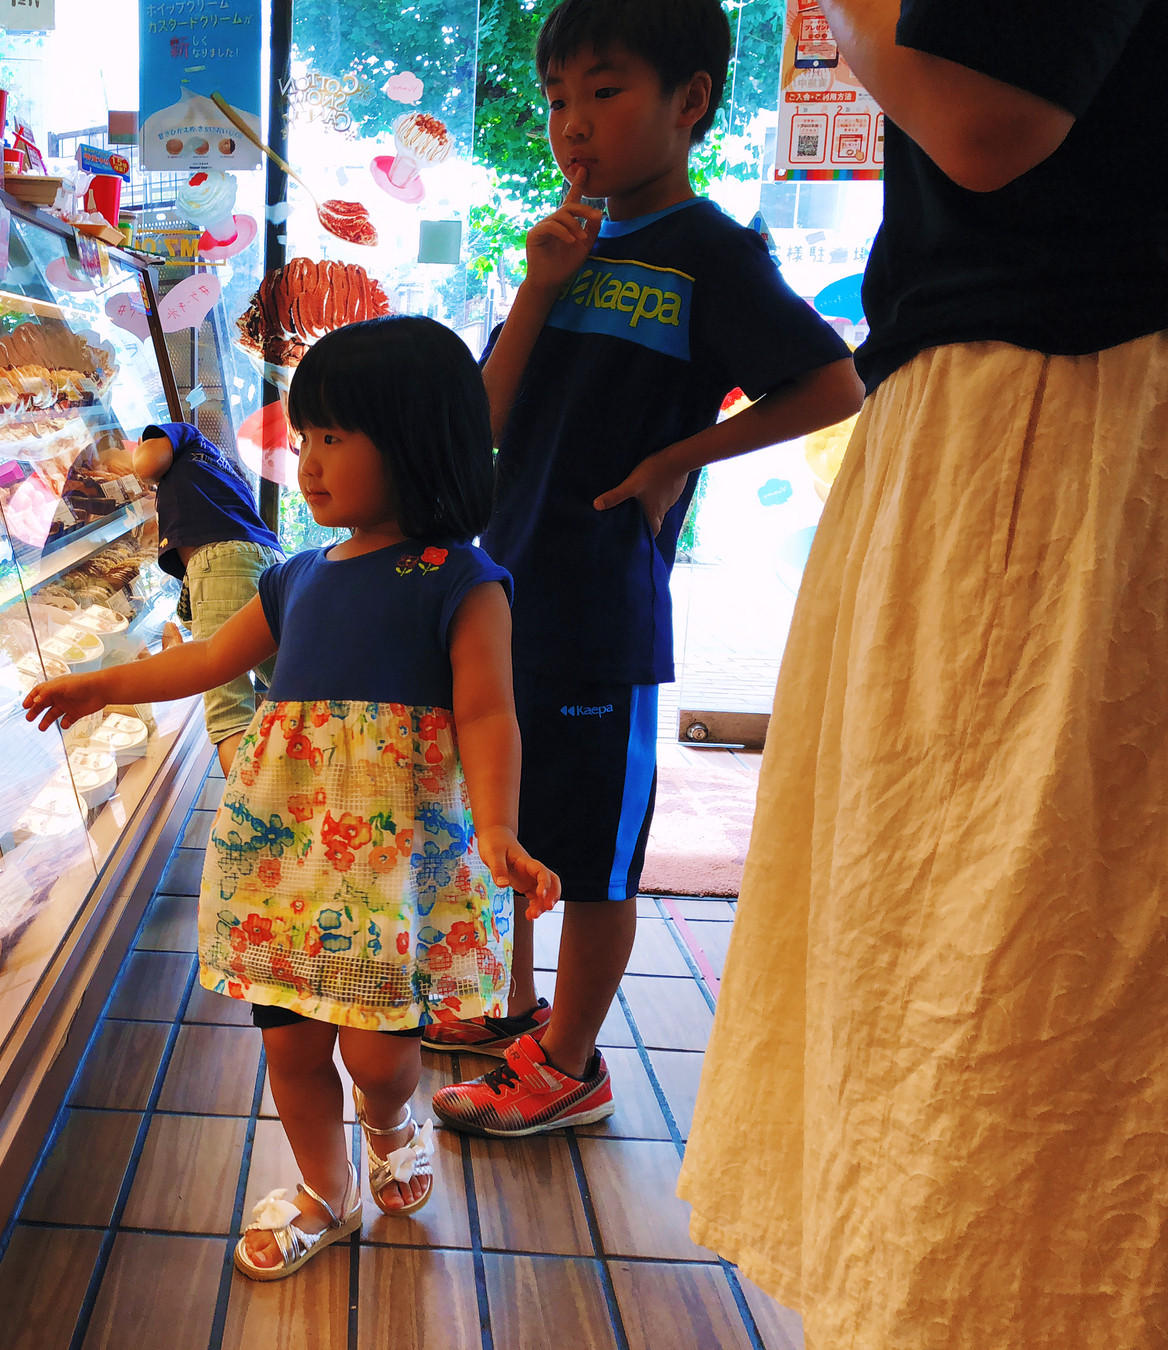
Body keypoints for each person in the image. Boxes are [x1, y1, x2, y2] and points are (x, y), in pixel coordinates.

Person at [677, 1, 1168, 1345]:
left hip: (1056, 423)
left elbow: (989, 115)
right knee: (978, 967)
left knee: (988, 972)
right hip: (1039, 415)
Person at [25, 316, 561, 1281]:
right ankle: (325, 1189)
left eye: (335, 439)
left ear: (418, 442)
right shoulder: (297, 577)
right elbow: (206, 658)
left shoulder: (463, 581)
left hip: (393, 869)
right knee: (291, 1049)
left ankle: (391, 1120)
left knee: (380, 1056)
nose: (308, 464)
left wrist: (500, 828)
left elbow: (488, 717)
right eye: (306, 438)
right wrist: (103, 681)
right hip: (282, 858)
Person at [427, 0, 863, 1136]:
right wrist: (536, 283)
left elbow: (829, 384)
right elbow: (478, 418)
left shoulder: (712, 253)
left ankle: (569, 1064)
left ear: (690, 101)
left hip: (601, 606)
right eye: (559, 100)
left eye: (604, 93)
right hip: (504, 589)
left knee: (599, 852)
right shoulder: (566, 247)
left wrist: (681, 455)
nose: (573, 126)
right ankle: (511, 1007)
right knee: (509, 818)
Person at [130, 420, 282, 774]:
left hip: (223, 564)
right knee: (289, 680)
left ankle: (250, 815)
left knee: (229, 709)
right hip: (265, 560)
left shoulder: (186, 434)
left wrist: (141, 458)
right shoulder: (217, 469)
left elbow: (147, 463)